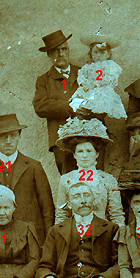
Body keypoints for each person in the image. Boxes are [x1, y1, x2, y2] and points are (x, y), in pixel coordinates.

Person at [0, 114, 54, 244]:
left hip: (29, 237)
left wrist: (48, 242)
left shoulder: (33, 167)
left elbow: (47, 208)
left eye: (13, 136)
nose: (8, 141)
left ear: (19, 137)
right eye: (3, 136)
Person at [54, 118, 125, 227]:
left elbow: (116, 214)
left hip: (102, 233)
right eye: (80, 151)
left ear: (97, 154)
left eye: (89, 151)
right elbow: (61, 214)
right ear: (74, 155)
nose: (84, 156)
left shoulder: (108, 180)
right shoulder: (66, 180)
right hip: (75, 234)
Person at [32, 29, 81, 174]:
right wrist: (69, 107)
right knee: (68, 179)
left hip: (86, 137)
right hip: (61, 140)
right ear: (49, 54)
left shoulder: (83, 73)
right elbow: (40, 106)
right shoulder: (44, 80)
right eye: (56, 51)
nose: (61, 54)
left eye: (64, 49)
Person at [69, 36, 127, 120]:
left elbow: (109, 78)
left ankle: (98, 119)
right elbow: (81, 75)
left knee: (100, 107)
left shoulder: (109, 65)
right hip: (88, 89)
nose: (98, 56)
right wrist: (84, 83)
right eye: (95, 52)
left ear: (108, 54)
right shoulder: (87, 67)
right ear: (91, 53)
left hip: (102, 90)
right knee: (79, 105)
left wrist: (95, 84)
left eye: (102, 53)